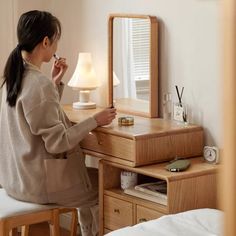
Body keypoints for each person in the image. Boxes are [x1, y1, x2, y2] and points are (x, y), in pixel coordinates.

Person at [0, 10, 116, 236]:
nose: (56, 46)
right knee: (107, 187)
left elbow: (35, 115)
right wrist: (95, 120)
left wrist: (54, 82)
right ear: (46, 41)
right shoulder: (37, 84)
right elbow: (58, 143)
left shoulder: (11, 79)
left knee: (89, 178)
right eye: (56, 40)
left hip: (15, 180)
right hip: (38, 186)